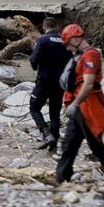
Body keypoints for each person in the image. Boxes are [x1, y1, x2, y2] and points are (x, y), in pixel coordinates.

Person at [56, 24, 104, 187]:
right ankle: (62, 178)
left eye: (67, 44)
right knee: (69, 144)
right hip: (79, 104)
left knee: (96, 144)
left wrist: (76, 104)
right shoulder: (81, 56)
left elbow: (88, 84)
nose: (67, 48)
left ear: (75, 39)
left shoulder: (90, 56)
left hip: (87, 105)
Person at [28, 17, 71, 155]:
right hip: (59, 83)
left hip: (44, 81)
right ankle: (53, 149)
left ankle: (46, 133)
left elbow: (34, 60)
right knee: (55, 115)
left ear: (44, 28)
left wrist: (36, 66)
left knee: (34, 108)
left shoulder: (42, 40)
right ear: (57, 28)